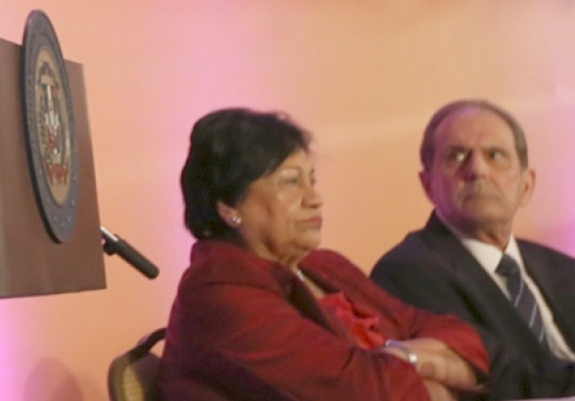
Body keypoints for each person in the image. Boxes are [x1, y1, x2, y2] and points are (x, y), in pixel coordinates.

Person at [161, 108, 488, 401]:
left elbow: (461, 338)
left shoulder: (325, 266)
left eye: (312, 180)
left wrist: (410, 359)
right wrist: (441, 380)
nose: (314, 198)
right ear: (229, 207)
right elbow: (369, 392)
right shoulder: (219, 296)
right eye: (291, 182)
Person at [373, 100, 575, 399]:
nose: (478, 170)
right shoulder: (408, 272)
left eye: (495, 155)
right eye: (456, 156)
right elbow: (502, 379)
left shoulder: (562, 267)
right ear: (428, 184)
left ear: (526, 185)